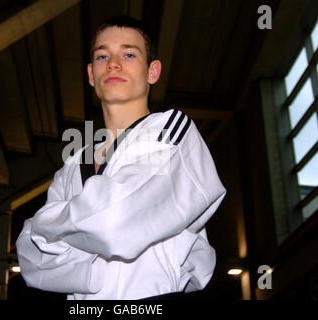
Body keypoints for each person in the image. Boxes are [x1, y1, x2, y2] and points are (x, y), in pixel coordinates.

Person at [16, 16, 226, 300]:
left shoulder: (173, 133)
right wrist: (85, 232)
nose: (113, 64)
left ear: (153, 71)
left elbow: (114, 222)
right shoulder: (73, 164)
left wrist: (52, 229)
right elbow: (31, 258)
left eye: (128, 54)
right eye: (102, 55)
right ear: (91, 75)